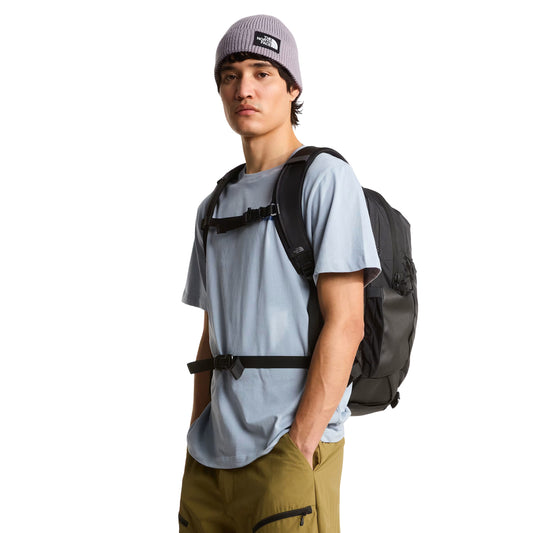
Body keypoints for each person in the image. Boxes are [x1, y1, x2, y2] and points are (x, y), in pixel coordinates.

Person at [178, 14, 381, 532]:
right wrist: (196, 437)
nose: (243, 89)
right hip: (210, 462)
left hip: (287, 450)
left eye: (261, 73)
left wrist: (299, 447)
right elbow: (211, 336)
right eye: (230, 76)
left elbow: (347, 323)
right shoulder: (213, 205)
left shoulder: (324, 179)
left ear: (293, 88)